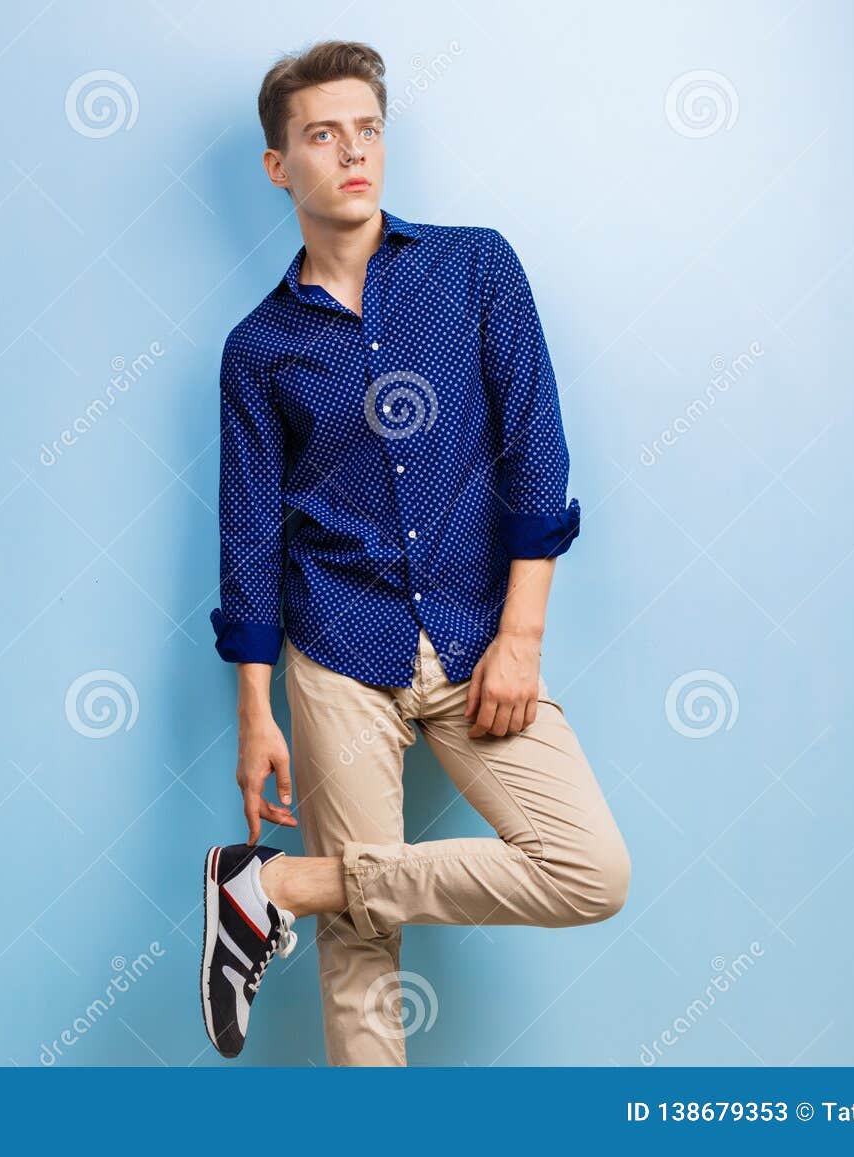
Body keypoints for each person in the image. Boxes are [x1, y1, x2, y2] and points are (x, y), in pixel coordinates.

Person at [199, 40, 632, 1066]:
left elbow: (537, 451)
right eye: (321, 135)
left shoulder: (473, 266)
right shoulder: (259, 348)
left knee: (589, 869)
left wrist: (520, 637)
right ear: (278, 165)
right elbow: (251, 532)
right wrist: (256, 712)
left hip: (482, 638)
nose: (352, 152)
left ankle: (279, 885)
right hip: (338, 647)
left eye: (367, 130)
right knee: (361, 959)